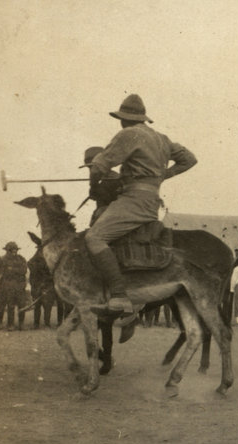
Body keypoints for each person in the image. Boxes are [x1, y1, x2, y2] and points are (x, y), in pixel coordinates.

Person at [84, 94, 197, 316]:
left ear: (123, 119)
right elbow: (190, 159)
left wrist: (93, 187)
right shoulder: (161, 138)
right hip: (152, 201)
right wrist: (162, 175)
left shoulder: (128, 134)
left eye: (121, 119)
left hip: (133, 201)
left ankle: (119, 296)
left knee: (94, 238)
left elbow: (98, 167)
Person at [79, 146, 123, 226]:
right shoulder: (109, 180)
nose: (90, 171)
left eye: (92, 167)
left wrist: (93, 187)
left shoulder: (110, 182)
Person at [0, 241, 28, 331]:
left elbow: (24, 270)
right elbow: (5, 272)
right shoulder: (3, 259)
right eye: (11, 250)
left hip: (20, 286)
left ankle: (21, 324)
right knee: (10, 305)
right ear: (7, 250)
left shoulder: (21, 258)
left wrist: (12, 269)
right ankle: (10, 324)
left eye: (15, 250)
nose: (13, 252)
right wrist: (16, 270)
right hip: (8, 286)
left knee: (22, 305)